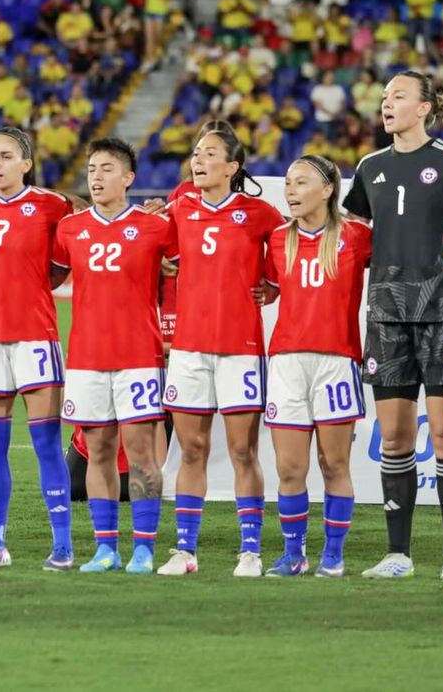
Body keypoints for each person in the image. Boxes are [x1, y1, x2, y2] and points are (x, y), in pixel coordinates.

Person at [343, 71, 443, 581]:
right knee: (394, 437)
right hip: (386, 315)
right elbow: (353, 245)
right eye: (384, 97)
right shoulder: (368, 168)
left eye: (398, 96)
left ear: (425, 108)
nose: (387, 104)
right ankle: (398, 554)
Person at [158, 128, 283, 578]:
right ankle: (184, 550)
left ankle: (250, 551)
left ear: (232, 167)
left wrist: (272, 284)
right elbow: (152, 248)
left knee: (243, 451)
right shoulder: (179, 207)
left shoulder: (259, 213)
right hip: (189, 348)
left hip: (240, 349)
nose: (199, 160)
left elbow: (291, 252)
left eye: (210, 154)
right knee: (191, 449)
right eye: (195, 153)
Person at [0, 127, 75, 571]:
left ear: (27, 163)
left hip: (35, 338)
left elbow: (61, 267)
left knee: (46, 443)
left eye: (6, 156)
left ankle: (62, 545)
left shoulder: (52, 205)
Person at [53, 138, 177, 574]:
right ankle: (105, 548)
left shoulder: (156, 227)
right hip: (86, 357)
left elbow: (190, 267)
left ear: (128, 179)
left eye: (107, 169)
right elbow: (44, 275)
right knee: (99, 450)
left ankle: (144, 548)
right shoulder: (69, 229)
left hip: (139, 356)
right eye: (91, 168)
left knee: (141, 452)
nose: (97, 176)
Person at [261, 155, 372, 577]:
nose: (290, 190)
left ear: (327, 189)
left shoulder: (357, 236)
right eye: (288, 182)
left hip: (337, 360)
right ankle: (294, 554)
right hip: (287, 361)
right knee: (290, 467)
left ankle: (334, 553)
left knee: (333, 464)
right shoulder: (275, 239)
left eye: (301, 182)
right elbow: (267, 288)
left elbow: (403, 252)